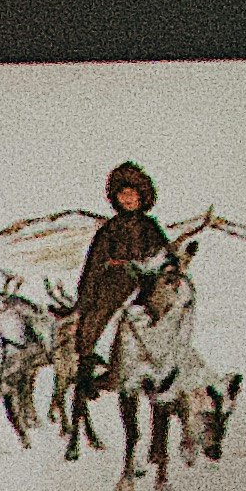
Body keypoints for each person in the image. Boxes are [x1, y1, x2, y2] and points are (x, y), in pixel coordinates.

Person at [67, 161, 170, 381]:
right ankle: (92, 368)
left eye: (132, 194)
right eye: (123, 194)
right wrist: (86, 296)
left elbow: (164, 256)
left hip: (145, 287)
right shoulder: (109, 229)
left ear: (142, 197)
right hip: (113, 287)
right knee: (95, 321)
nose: (128, 199)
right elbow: (94, 265)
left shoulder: (150, 228)